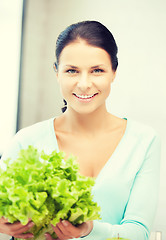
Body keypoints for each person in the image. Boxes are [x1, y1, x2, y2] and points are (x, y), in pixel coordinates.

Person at [0, 20, 161, 240]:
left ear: (114, 72)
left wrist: (90, 230)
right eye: (72, 71)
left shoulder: (144, 141)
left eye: (97, 70)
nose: (84, 84)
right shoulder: (25, 141)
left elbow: (138, 232)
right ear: (57, 72)